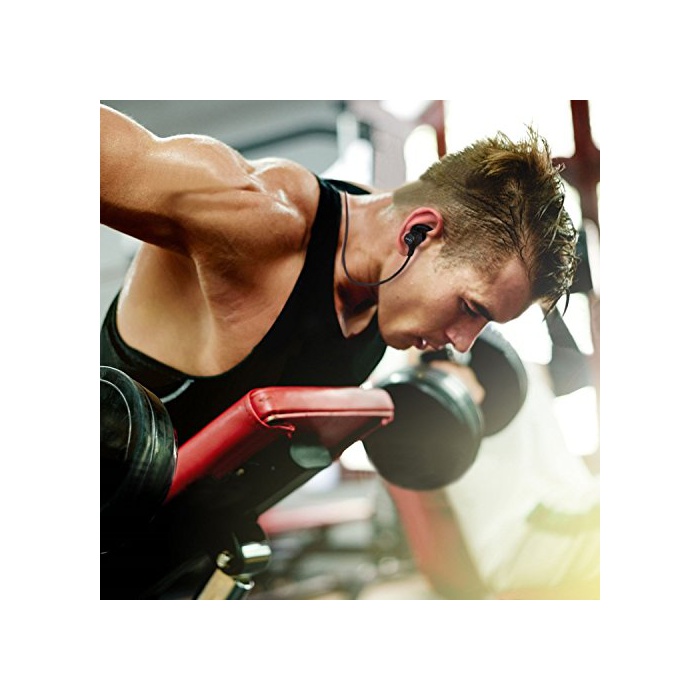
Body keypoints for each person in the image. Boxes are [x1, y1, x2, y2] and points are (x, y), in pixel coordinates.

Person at [100, 103, 579, 598]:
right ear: (419, 233)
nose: (463, 341)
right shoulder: (256, 217)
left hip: (181, 572)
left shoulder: (386, 279)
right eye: (470, 308)